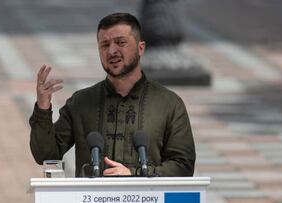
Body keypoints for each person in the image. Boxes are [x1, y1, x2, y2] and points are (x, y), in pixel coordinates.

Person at [29, 13, 195, 177]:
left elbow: (183, 165)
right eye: (105, 45)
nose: (112, 51)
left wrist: (135, 174)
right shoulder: (80, 103)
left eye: (121, 43)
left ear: (141, 48)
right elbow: (46, 156)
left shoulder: (169, 104)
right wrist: (43, 108)